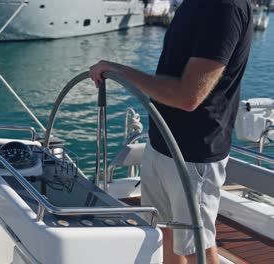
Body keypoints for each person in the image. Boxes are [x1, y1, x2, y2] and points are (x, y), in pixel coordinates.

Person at [89, 0, 253, 263]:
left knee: (196, 247)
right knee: (167, 233)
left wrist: (120, 70)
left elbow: (188, 96)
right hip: (162, 142)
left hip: (193, 154)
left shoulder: (225, 7)